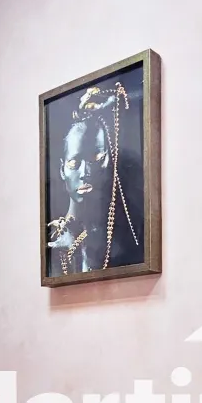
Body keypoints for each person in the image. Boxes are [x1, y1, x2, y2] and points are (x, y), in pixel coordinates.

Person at [46, 82, 143, 276]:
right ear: (62, 169)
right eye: (74, 163)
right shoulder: (55, 237)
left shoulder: (128, 234)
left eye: (96, 158)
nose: (85, 172)